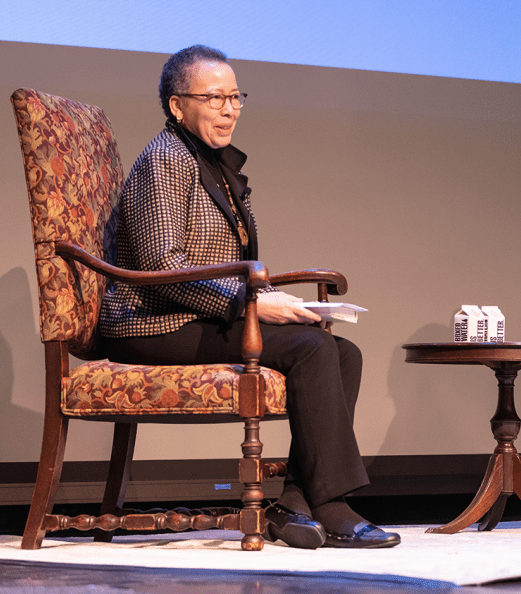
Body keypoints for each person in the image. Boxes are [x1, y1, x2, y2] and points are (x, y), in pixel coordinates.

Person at [99, 45, 399, 550]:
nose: (229, 108)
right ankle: (328, 504)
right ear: (177, 106)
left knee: (342, 352)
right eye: (214, 97)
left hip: (193, 313)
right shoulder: (166, 161)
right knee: (313, 348)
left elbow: (217, 263)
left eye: (236, 97)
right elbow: (161, 270)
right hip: (152, 322)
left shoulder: (209, 162)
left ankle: (296, 502)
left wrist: (265, 295)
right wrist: (252, 305)